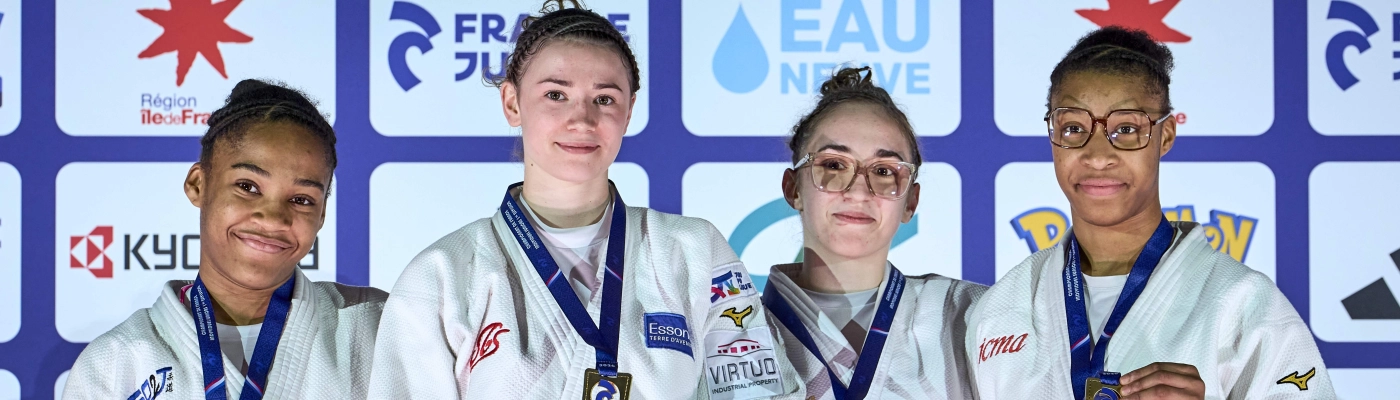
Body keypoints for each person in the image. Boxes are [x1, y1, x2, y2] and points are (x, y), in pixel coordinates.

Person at [367, 1, 802, 398]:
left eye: (604, 99)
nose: (582, 119)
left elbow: (759, 393)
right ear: (512, 102)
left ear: (629, 111)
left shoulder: (694, 251)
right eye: (556, 95)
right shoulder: (442, 275)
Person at [965, 27, 1334, 399]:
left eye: (1126, 128)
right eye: (1073, 128)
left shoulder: (1241, 302)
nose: (1098, 156)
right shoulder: (1005, 306)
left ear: (1166, 135)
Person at [64, 79, 387, 399]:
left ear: (322, 214)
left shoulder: (376, 328)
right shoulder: (117, 361)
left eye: (301, 199)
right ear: (198, 184)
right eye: (248, 187)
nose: (273, 218)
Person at [763, 66, 986, 400]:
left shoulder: (970, 314)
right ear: (793, 188)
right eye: (833, 165)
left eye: (883, 171)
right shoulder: (732, 331)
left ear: (911, 202)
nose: (858, 191)